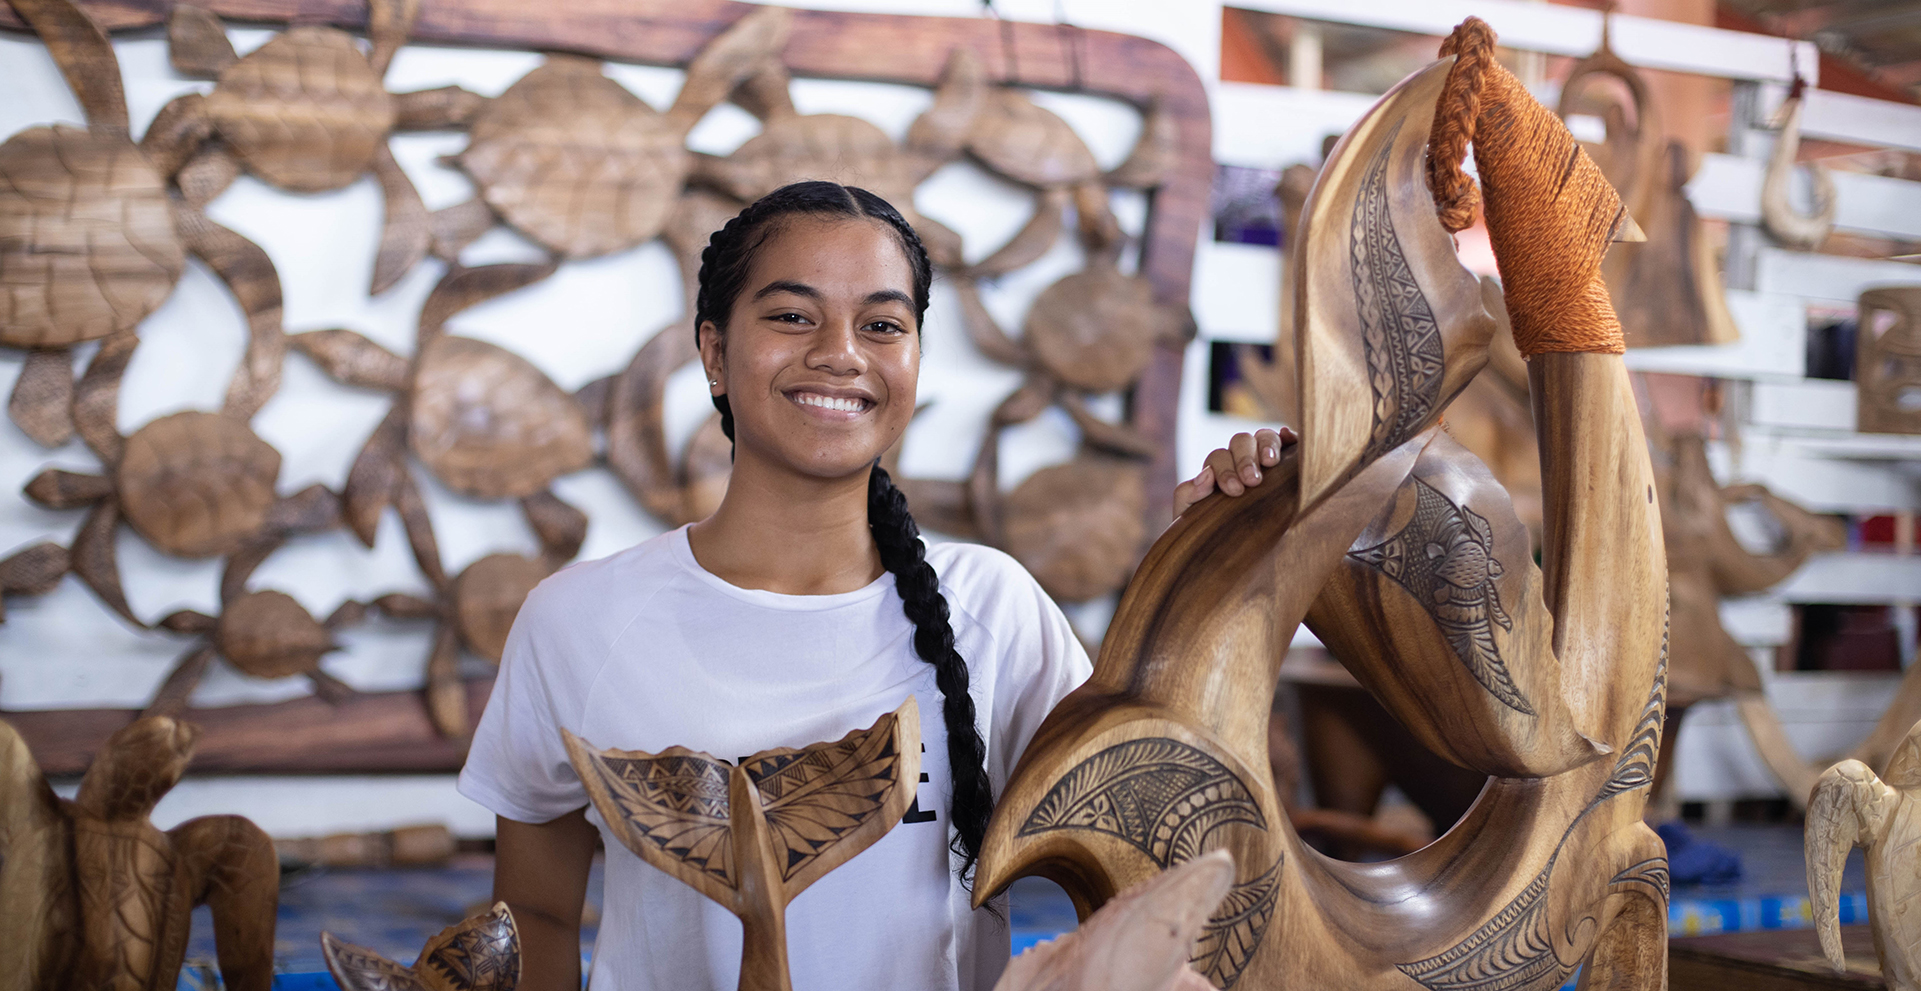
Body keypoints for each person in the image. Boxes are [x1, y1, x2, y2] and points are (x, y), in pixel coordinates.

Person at [458, 179, 1293, 991]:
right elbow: (537, 912)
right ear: (714, 352)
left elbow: (1158, 854)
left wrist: (1212, 572)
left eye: (882, 324)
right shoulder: (578, 619)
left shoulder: (993, 607)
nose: (840, 352)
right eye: (792, 316)